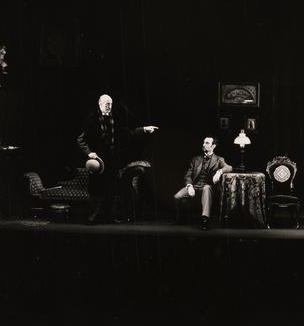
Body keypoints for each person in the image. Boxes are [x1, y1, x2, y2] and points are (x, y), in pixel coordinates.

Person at [76, 94, 158, 224]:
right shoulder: (91, 119)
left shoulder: (114, 119)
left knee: (112, 189)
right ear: (99, 104)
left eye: (110, 104)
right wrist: (89, 153)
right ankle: (91, 218)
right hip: (98, 160)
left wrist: (143, 129)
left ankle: (110, 217)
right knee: (96, 189)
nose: (109, 106)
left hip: (112, 160)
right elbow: (81, 139)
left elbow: (128, 133)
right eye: (106, 103)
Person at [174, 136, 233, 230]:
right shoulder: (196, 159)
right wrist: (189, 186)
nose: (203, 144)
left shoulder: (219, 159)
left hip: (208, 187)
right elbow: (188, 175)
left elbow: (229, 167)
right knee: (177, 196)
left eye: (207, 143)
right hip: (194, 186)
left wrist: (219, 172)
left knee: (206, 188)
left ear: (213, 146)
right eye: (204, 142)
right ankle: (181, 217)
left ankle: (205, 219)